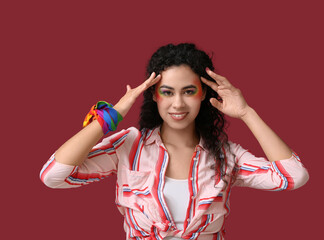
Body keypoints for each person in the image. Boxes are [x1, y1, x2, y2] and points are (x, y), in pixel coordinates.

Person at [40, 43, 309, 240]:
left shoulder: (227, 156)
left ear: (203, 94)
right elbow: (54, 176)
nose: (177, 104)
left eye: (188, 91)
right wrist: (115, 113)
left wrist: (246, 113)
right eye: (167, 92)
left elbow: (293, 177)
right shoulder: (129, 145)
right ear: (154, 95)